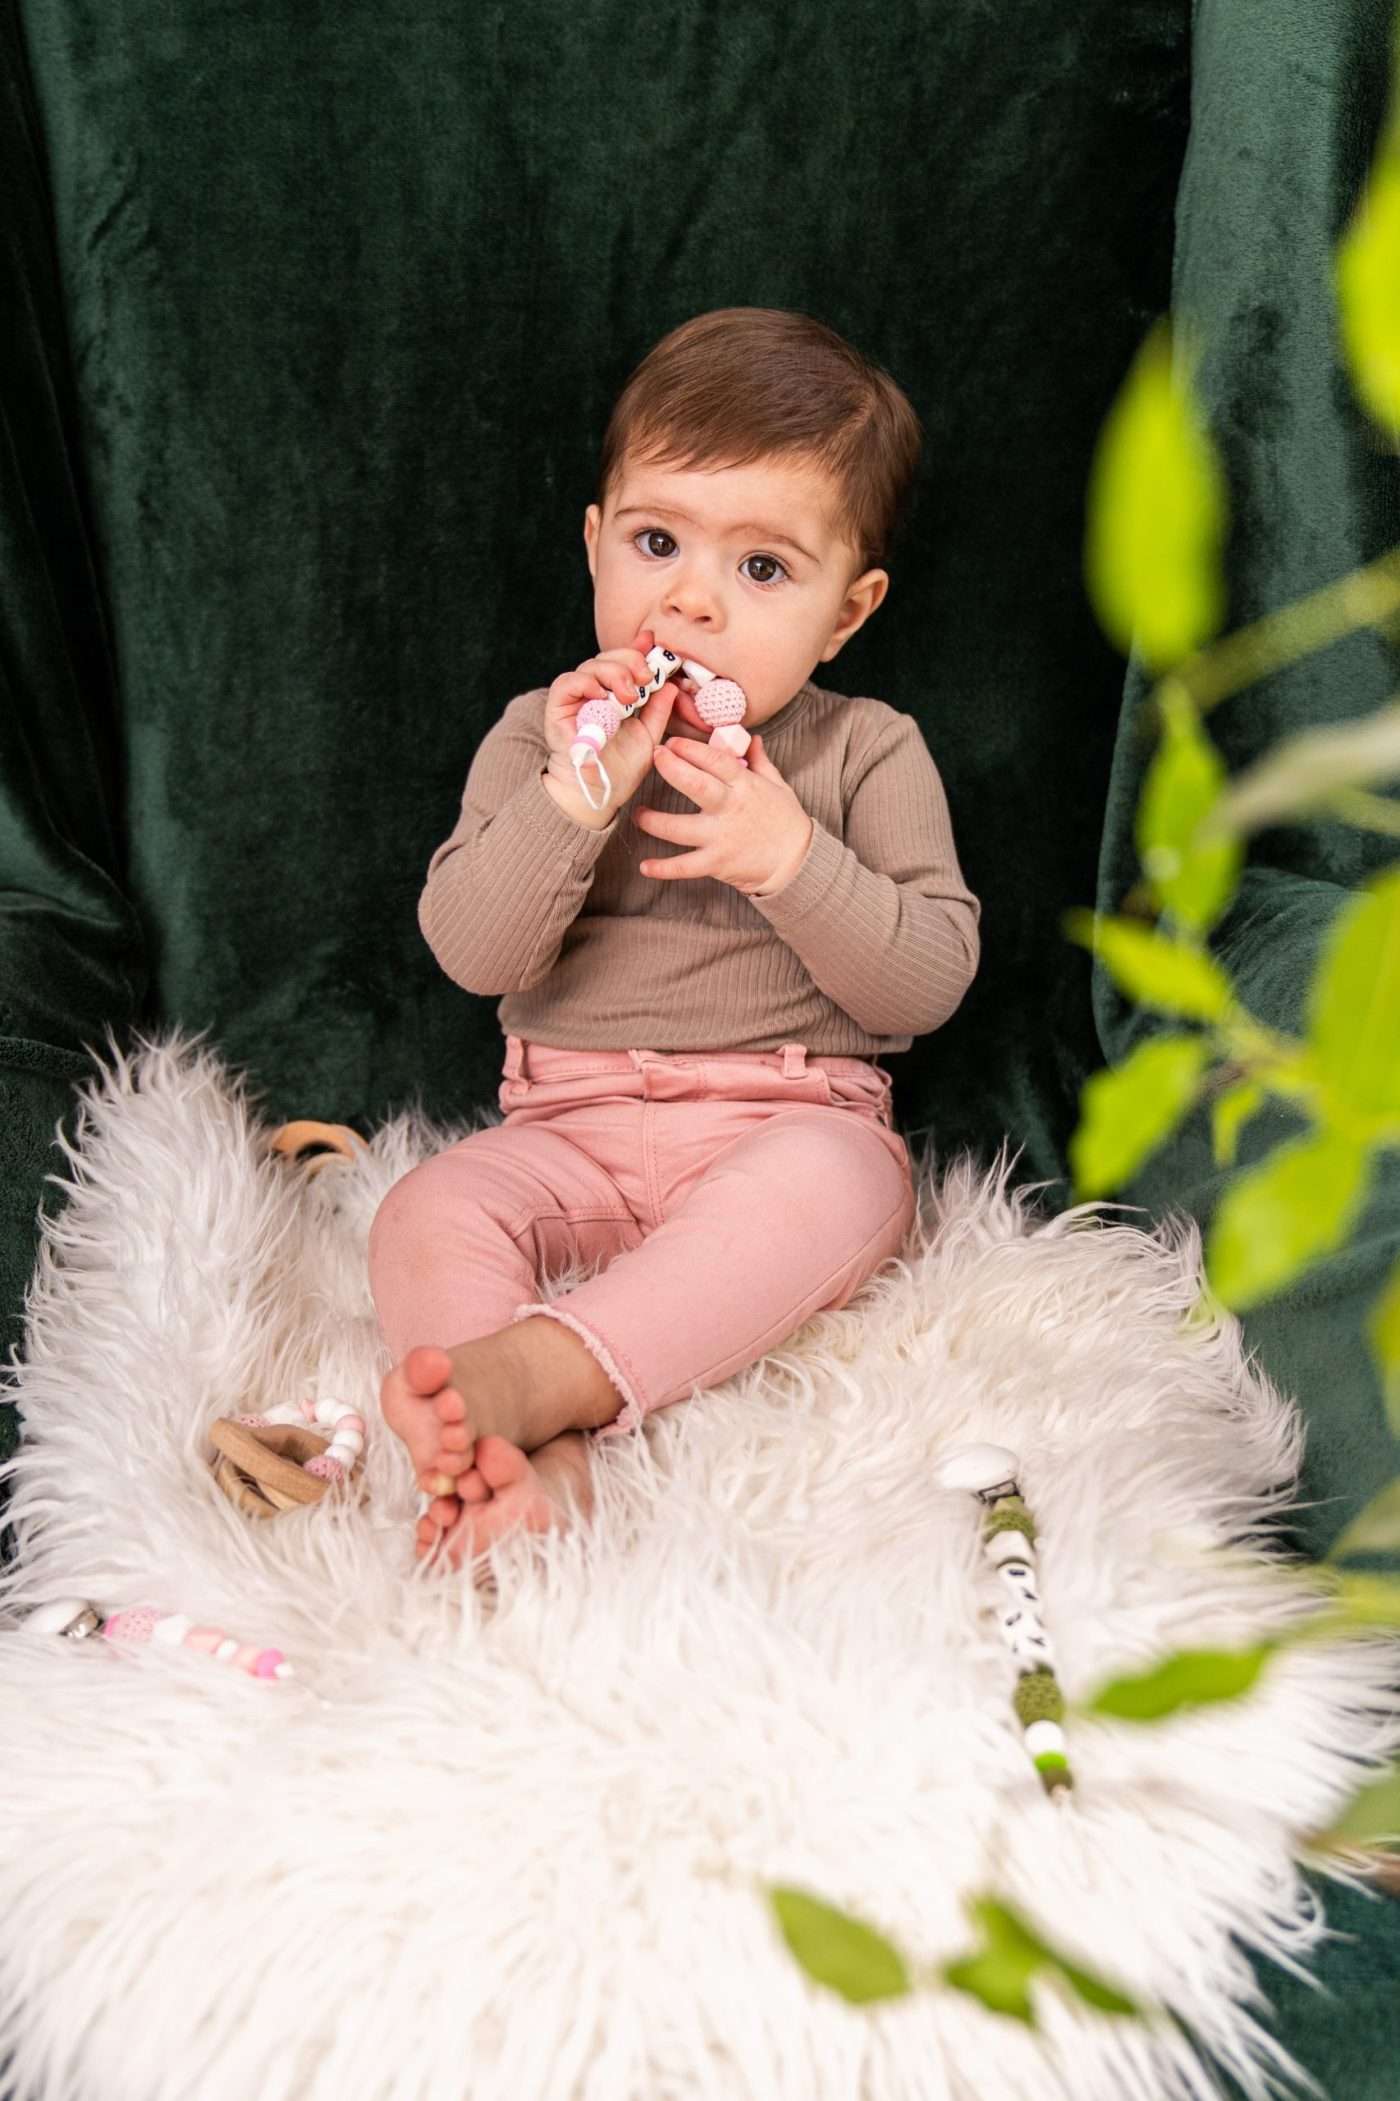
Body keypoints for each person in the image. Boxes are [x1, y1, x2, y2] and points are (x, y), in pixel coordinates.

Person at [368, 306, 981, 1569]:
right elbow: (475, 956)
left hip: (780, 1121)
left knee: (844, 1188)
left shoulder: (868, 749)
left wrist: (790, 859)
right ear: (595, 544)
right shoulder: (539, 738)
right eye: (656, 543)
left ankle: (544, 1375)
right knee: (427, 1207)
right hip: (565, 1134)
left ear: (846, 611)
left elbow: (923, 983)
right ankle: (534, 1468)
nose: (689, 600)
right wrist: (570, 802)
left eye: (761, 570)